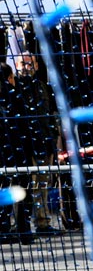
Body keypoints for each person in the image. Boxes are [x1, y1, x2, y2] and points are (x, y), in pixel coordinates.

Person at [14, 54, 59, 236]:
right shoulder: (14, 87)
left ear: (37, 66)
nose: (26, 67)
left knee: (43, 184)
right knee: (27, 185)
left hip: (45, 142)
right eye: (22, 64)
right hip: (26, 144)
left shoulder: (42, 86)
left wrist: (55, 138)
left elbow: (50, 113)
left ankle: (43, 223)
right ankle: (21, 226)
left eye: (29, 64)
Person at [0, 62, 32, 244]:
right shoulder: (15, 96)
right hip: (19, 150)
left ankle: (4, 228)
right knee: (22, 190)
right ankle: (23, 230)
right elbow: (25, 125)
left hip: (5, 152)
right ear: (10, 77)